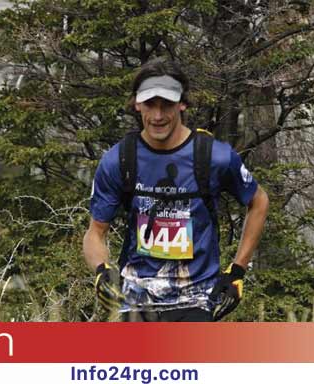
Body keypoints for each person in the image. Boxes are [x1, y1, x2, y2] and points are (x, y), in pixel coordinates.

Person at [82, 58, 269, 322]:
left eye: (167, 104)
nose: (158, 116)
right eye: (150, 104)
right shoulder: (119, 160)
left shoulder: (214, 156)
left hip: (197, 298)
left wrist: (237, 272)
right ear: (137, 104)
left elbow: (259, 201)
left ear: (182, 103)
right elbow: (95, 233)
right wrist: (102, 271)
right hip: (134, 300)